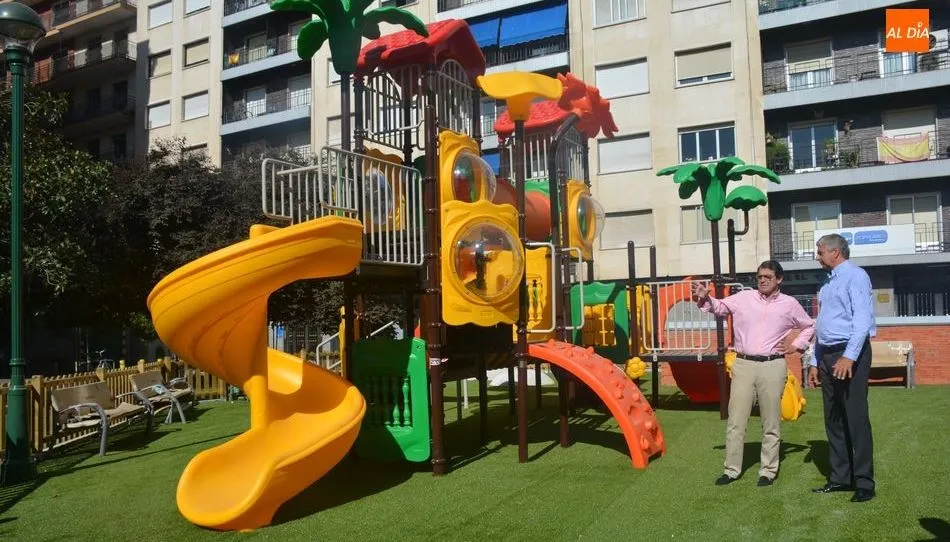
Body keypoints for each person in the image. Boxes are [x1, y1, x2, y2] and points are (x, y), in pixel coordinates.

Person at [692, 260, 815, 487]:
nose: (762, 280)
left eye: (768, 277)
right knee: (736, 420)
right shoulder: (743, 298)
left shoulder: (790, 304)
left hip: (773, 365)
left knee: (771, 421)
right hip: (744, 364)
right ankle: (731, 470)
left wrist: (797, 345)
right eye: (760, 277)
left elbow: (809, 325)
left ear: (779, 279)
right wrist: (705, 297)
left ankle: (768, 471)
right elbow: (718, 307)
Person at [809, 233, 877, 503]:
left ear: (835, 252)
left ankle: (864, 483)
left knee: (855, 417)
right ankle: (840, 478)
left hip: (849, 353)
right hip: (826, 354)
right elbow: (821, 326)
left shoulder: (856, 276)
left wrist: (849, 357)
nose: (818, 255)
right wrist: (815, 361)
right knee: (833, 418)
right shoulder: (827, 284)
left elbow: (862, 321)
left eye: (820, 251)